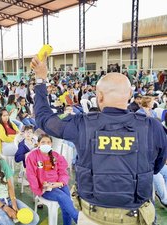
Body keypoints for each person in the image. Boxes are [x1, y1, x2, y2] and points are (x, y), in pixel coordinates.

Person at [30, 55, 167, 224]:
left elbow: (43, 118)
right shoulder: (153, 127)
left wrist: (40, 80)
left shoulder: (82, 124)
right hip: (137, 217)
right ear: (131, 94)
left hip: (93, 217)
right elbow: (156, 166)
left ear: (99, 96)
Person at [0, 139, 39, 225]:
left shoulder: (2, 163)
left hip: (8, 198)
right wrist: (6, 208)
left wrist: (13, 201)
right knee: (7, 223)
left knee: (34, 218)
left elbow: (10, 185)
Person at [26, 134, 79, 225]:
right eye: (43, 142)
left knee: (66, 202)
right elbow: (31, 176)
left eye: (48, 142)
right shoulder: (32, 156)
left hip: (58, 184)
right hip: (45, 188)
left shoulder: (56, 155)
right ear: (38, 144)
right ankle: (79, 219)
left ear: (51, 144)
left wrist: (60, 183)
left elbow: (63, 171)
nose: (46, 144)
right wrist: (40, 190)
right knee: (63, 198)